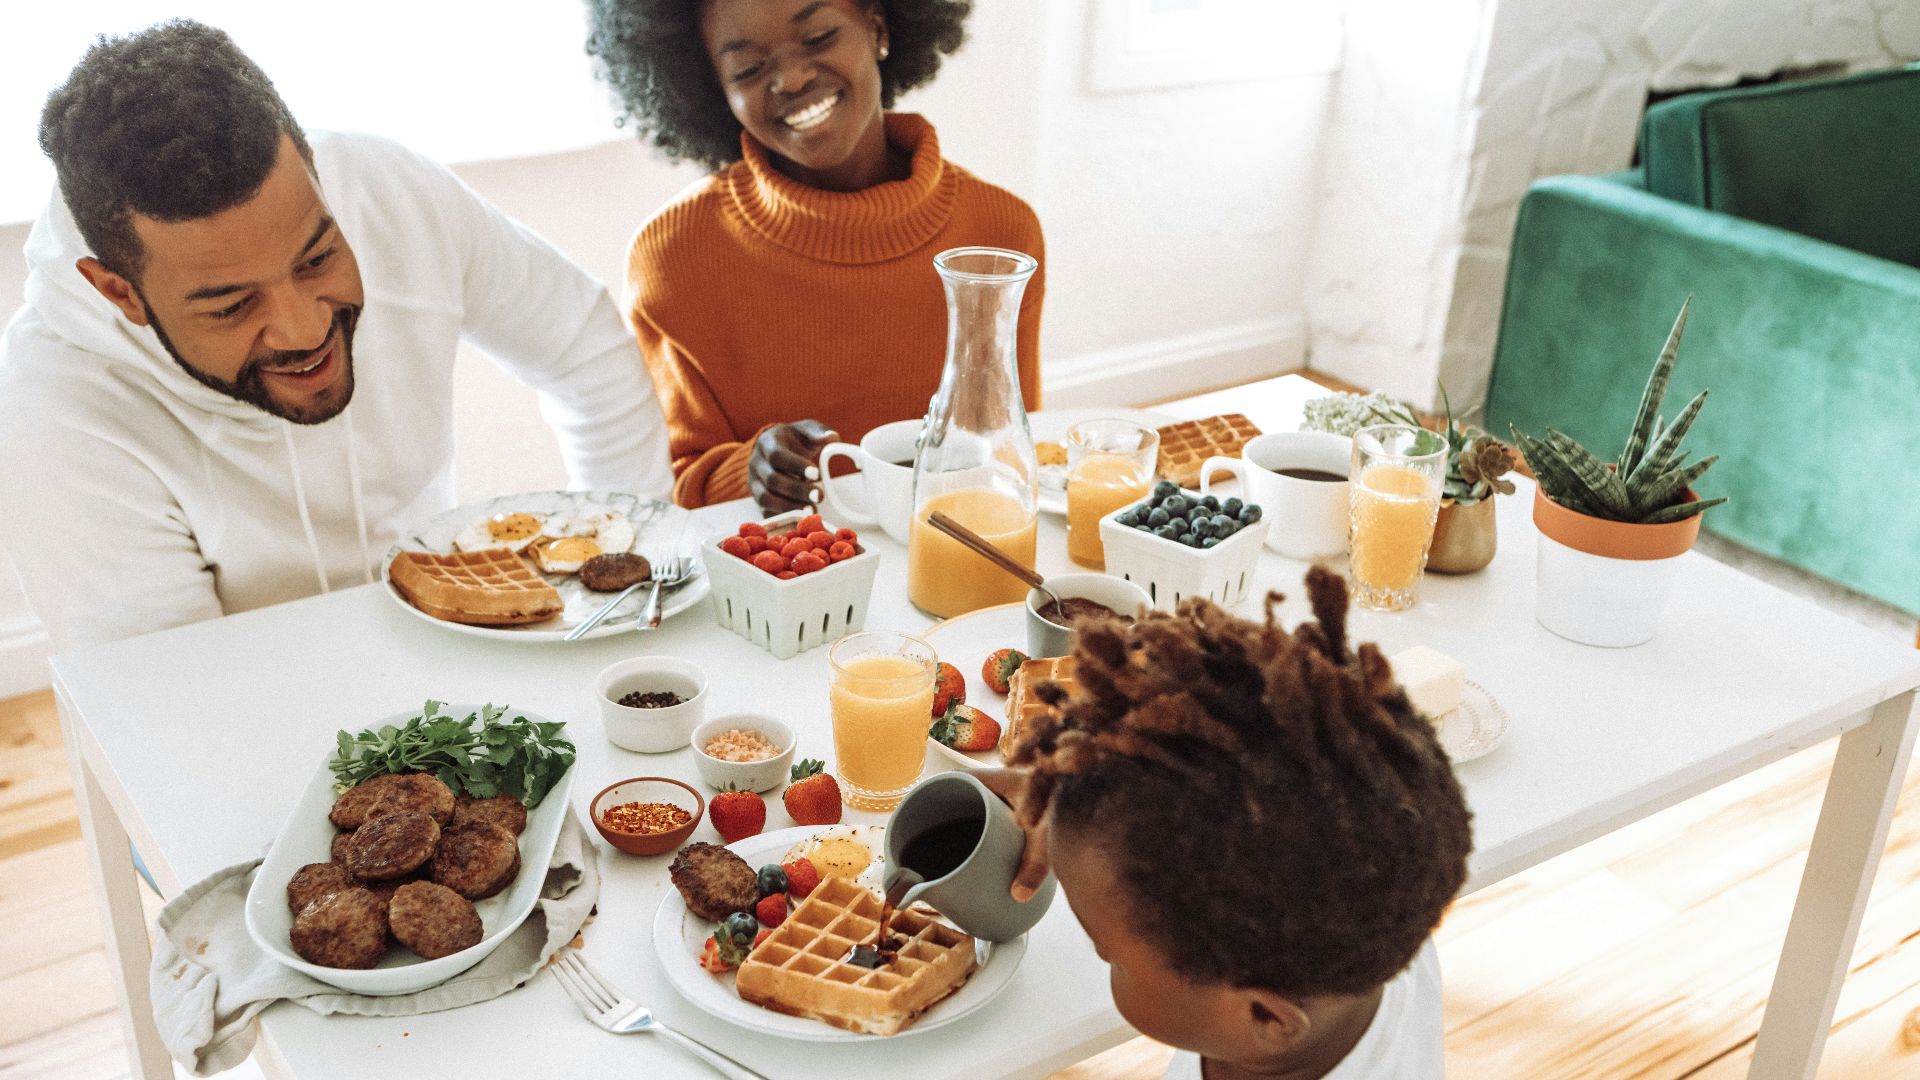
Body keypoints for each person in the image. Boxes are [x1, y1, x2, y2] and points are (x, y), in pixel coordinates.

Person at [0, 21, 674, 652]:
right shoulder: (53, 409)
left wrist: (625, 589)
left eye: (316, 259)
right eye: (233, 305)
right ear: (119, 292)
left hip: (448, 648)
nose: (306, 328)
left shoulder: (390, 190)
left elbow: (581, 344)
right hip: (243, 710)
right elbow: (178, 694)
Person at [985, 567, 1473, 1079]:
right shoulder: (1373, 908)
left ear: (1266, 1017)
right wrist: (1084, 796)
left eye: (1109, 956)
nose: (1104, 958)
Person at [585, 0, 1044, 512]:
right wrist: (750, 468)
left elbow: (1011, 452)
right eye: (749, 68)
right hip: (785, 576)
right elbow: (679, 489)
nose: (793, 78)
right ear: (711, 86)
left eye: (819, 37)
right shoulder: (674, 257)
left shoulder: (1001, 233)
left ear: (878, 27)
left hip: (956, 561)